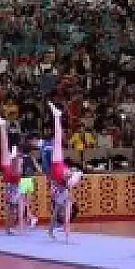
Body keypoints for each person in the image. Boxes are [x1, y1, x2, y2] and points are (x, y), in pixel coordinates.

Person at [46, 102, 83, 242]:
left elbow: (65, 214)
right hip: (59, 174)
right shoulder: (68, 189)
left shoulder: (67, 186)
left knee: (58, 140)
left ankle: (57, 116)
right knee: (58, 140)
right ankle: (57, 116)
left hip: (59, 174)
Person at [0, 114, 24, 235]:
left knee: (11, 208)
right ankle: (9, 228)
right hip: (13, 180)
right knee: (12, 208)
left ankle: (2, 126)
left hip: (12, 180)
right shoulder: (18, 160)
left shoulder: (18, 159)